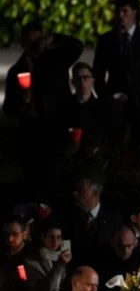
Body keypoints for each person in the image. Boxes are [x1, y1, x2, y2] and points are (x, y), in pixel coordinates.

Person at [3, 22, 83, 191]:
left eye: (38, 42)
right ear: (23, 43)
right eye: (31, 43)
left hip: (58, 130)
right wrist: (22, 102)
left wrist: (54, 37)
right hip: (32, 137)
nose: (35, 47)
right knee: (35, 184)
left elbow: (77, 46)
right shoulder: (16, 71)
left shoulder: (56, 59)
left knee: (60, 182)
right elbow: (9, 110)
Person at [93, 0, 140, 149]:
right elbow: (98, 72)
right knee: (113, 145)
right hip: (114, 101)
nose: (121, 16)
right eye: (118, 12)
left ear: (134, 12)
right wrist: (107, 97)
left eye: (125, 11)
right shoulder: (106, 40)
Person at [23, 221, 71, 291]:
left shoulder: (65, 257)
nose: (55, 241)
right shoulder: (31, 262)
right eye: (51, 237)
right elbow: (42, 290)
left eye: (58, 237)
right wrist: (60, 264)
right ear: (43, 237)